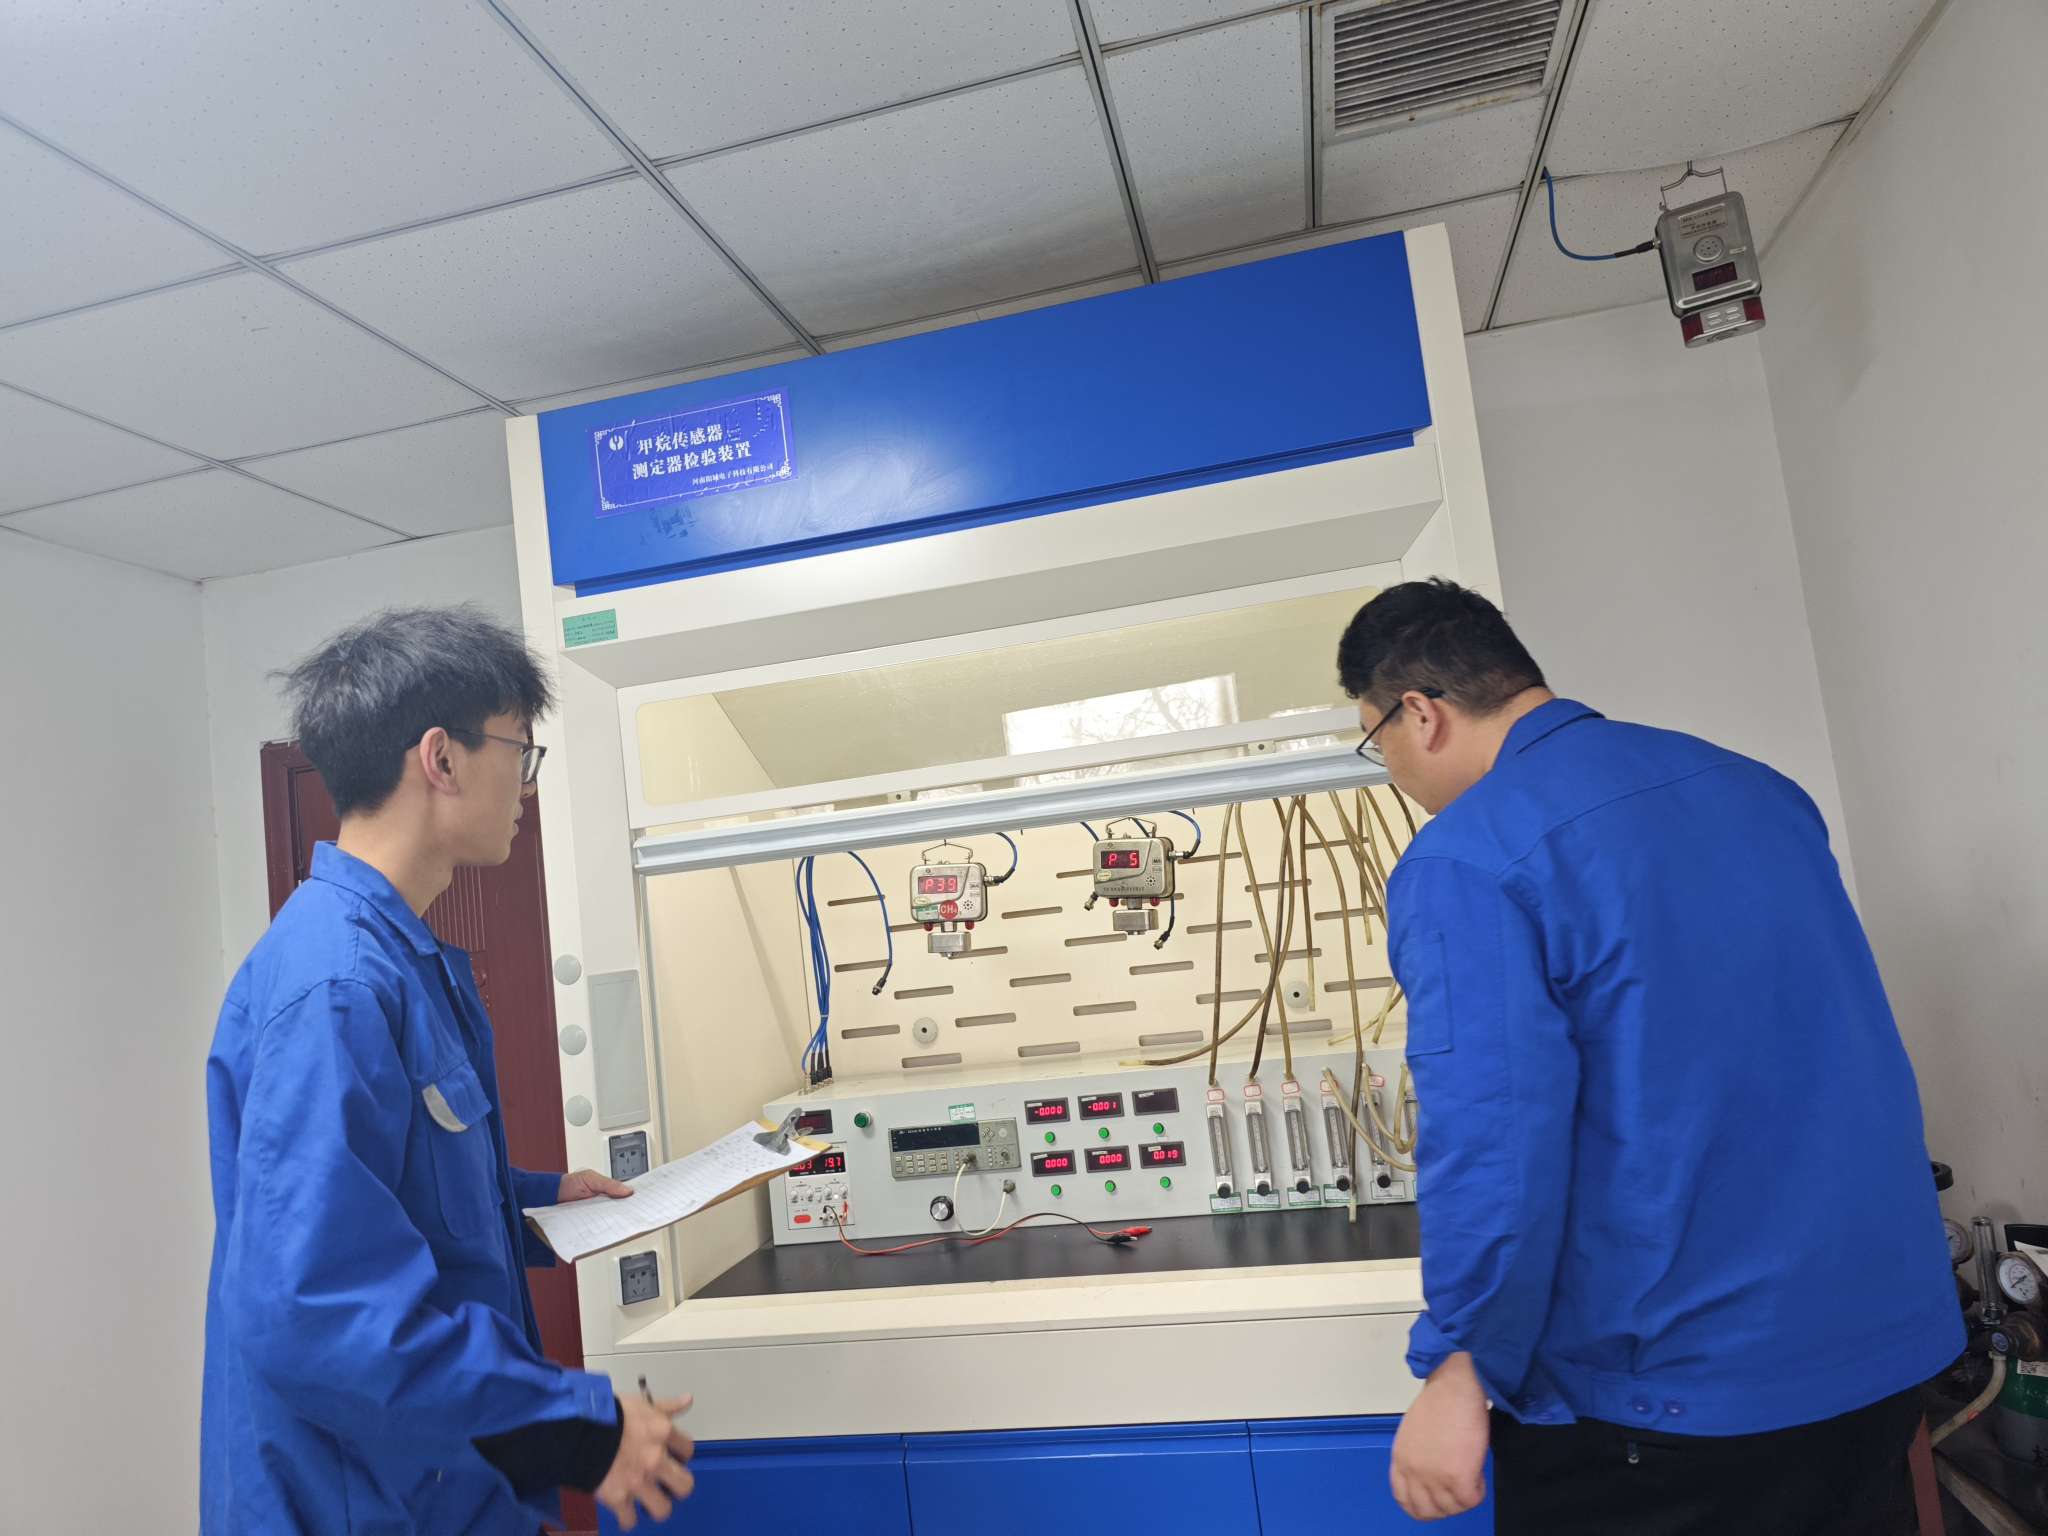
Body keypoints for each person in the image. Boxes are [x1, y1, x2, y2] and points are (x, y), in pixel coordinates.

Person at [1337, 580, 1961, 1533]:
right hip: (1881, 1352)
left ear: (1420, 713)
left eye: (1374, 741)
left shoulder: (1467, 857)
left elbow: (1495, 1143)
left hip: (1672, 1406)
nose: (1390, 771)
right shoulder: (1757, 789)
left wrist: (1462, 1361)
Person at [201, 605, 695, 1534]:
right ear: (442, 759)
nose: (526, 786)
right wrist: (577, 1430)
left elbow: (393, 1193)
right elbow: (316, 1309)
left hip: (435, 1489)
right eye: (520, 751)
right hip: (361, 1502)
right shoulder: (337, 985)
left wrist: (536, 1203)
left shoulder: (399, 959)